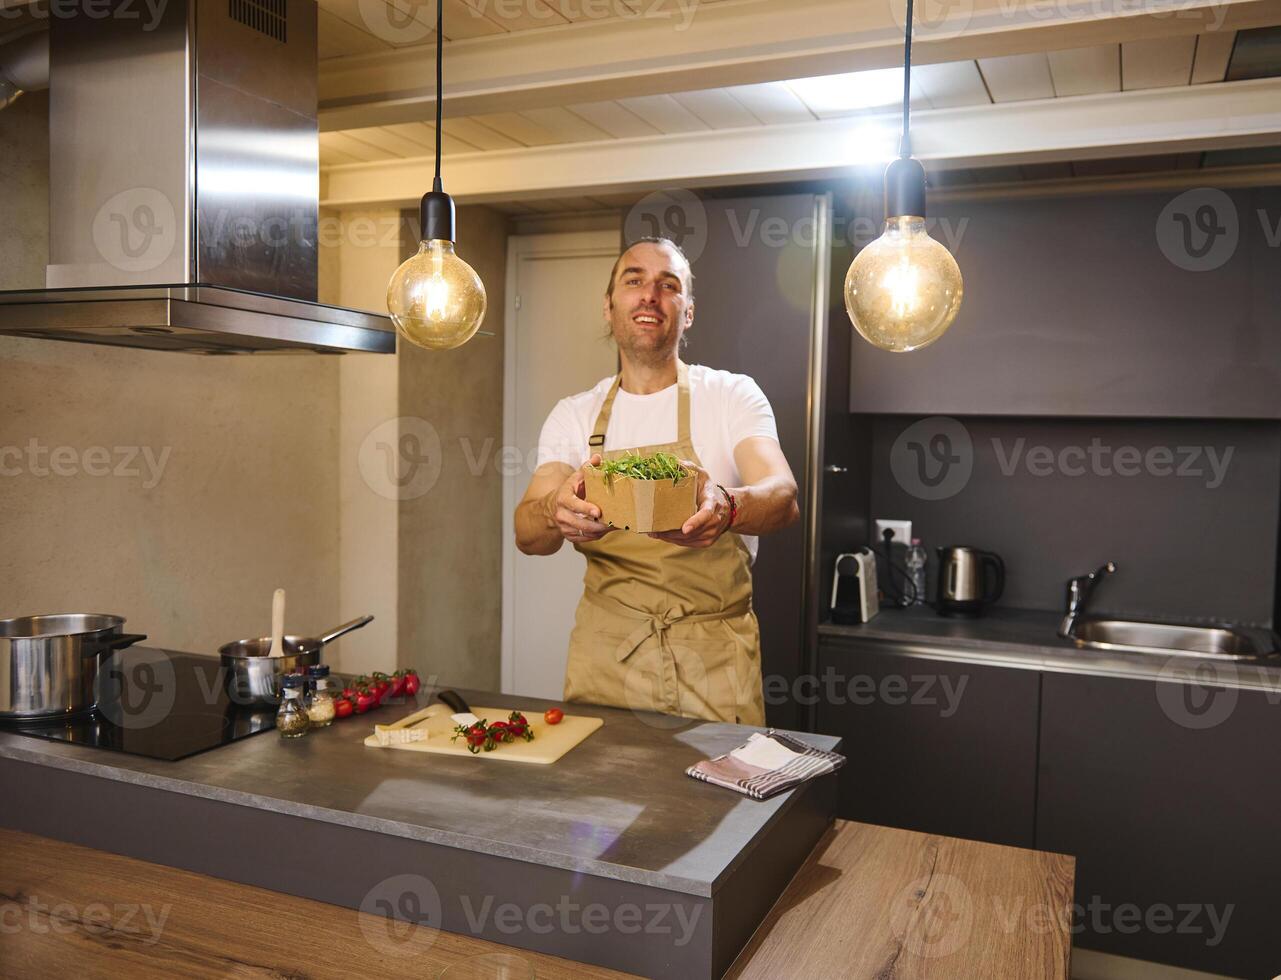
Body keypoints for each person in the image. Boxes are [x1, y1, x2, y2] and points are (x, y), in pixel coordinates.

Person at [514, 237, 799, 725]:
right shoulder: (574, 416)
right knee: (603, 796)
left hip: (714, 658)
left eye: (669, 286)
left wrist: (726, 507)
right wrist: (553, 512)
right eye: (634, 281)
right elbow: (527, 534)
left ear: (687, 312)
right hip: (607, 656)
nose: (650, 294)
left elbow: (783, 496)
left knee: (722, 798)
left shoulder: (732, 396)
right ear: (609, 306)